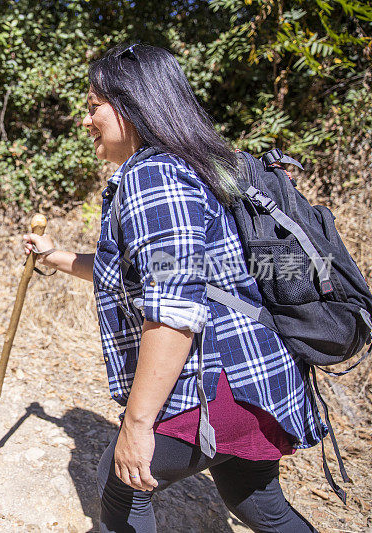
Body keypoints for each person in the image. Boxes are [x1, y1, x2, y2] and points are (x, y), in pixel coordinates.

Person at [23, 43, 324, 533]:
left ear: (131, 105)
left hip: (221, 382)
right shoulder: (191, 165)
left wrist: (137, 426)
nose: (86, 120)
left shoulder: (153, 176)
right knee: (259, 505)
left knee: (120, 485)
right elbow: (157, 270)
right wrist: (55, 258)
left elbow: (175, 307)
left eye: (93, 106)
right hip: (260, 380)